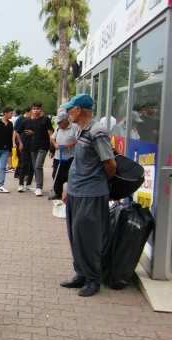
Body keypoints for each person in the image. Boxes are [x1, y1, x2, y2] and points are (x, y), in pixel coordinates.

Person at [60, 94, 117, 297]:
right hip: (76, 192)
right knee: (76, 236)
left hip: (91, 194)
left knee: (89, 238)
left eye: (70, 109)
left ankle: (94, 279)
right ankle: (81, 274)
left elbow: (110, 164)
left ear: (78, 110)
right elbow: (79, 163)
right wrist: (69, 189)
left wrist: (98, 183)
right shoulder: (81, 130)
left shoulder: (97, 131)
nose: (67, 113)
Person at [26, 102, 54, 196]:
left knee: (38, 165)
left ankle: (39, 187)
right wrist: (31, 132)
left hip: (43, 146)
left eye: (37, 108)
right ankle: (38, 185)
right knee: (35, 166)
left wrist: (52, 148)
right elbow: (37, 132)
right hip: (34, 146)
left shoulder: (45, 119)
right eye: (34, 109)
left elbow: (51, 134)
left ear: (41, 109)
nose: (35, 110)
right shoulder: (33, 120)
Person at [48, 112, 78, 201]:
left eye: (60, 122)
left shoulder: (75, 127)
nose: (58, 124)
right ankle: (58, 193)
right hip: (59, 156)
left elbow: (78, 139)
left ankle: (70, 194)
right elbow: (52, 138)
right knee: (56, 175)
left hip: (71, 157)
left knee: (70, 176)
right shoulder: (58, 128)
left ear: (66, 121)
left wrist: (69, 144)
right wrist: (55, 144)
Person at [15, 106, 35, 192]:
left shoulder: (38, 122)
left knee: (32, 165)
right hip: (25, 145)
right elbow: (17, 132)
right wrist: (20, 142)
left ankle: (29, 183)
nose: (34, 112)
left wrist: (33, 133)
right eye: (33, 110)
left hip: (35, 146)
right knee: (23, 164)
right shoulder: (24, 121)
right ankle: (21, 184)